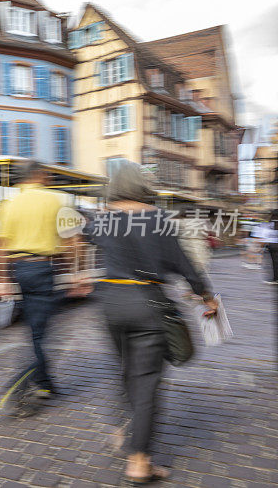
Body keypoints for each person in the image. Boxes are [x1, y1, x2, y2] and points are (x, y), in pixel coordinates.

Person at [87, 161, 218, 484]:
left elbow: (84, 234)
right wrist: (206, 296)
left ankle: (126, 431)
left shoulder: (102, 220)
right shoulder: (157, 219)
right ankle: (139, 462)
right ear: (142, 186)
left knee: (127, 372)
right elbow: (183, 264)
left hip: (110, 306)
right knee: (146, 381)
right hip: (146, 305)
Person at [0, 161, 65, 400]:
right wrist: (79, 273)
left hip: (18, 268)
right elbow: (73, 240)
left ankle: (45, 380)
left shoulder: (6, 205)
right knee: (41, 331)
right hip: (43, 266)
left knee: (36, 324)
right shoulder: (55, 201)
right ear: (39, 175)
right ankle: (38, 379)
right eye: (47, 174)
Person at [252, 211, 278, 283]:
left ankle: (275, 278)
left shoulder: (267, 225)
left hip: (272, 246)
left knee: (273, 263)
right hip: (273, 245)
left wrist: (260, 248)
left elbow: (263, 237)